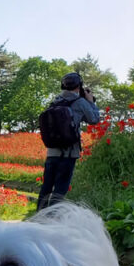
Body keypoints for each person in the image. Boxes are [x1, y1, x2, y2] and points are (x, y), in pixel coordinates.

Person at [37, 72, 100, 211]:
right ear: (79, 87)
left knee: (46, 187)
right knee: (60, 189)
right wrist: (90, 101)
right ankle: (51, 221)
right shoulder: (80, 102)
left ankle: (39, 218)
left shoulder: (55, 101)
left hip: (52, 152)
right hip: (69, 153)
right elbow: (94, 119)